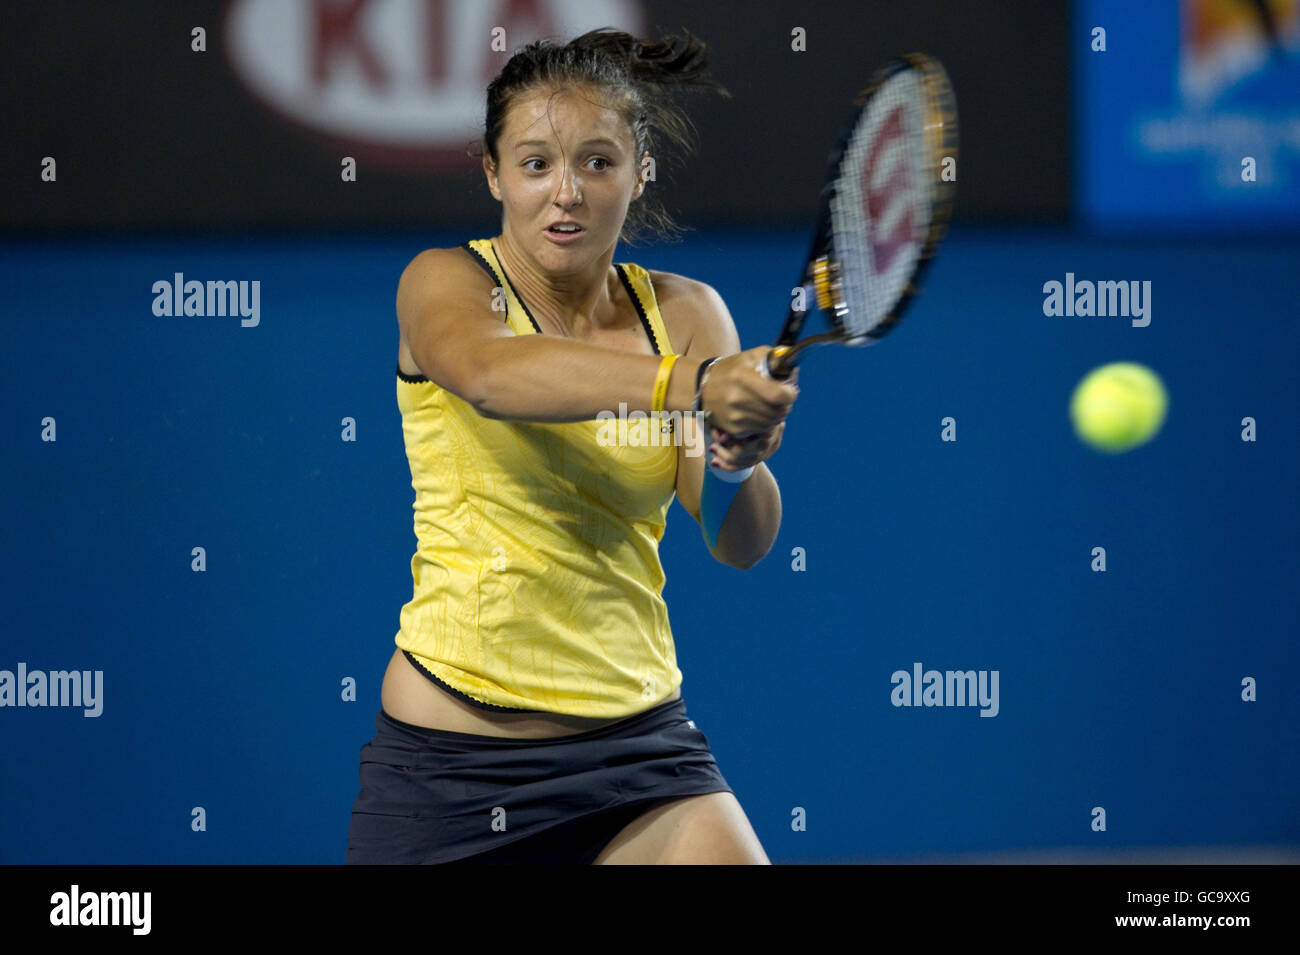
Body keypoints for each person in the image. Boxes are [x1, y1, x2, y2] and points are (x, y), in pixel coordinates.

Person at [346, 27, 799, 865]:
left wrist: (739, 453)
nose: (567, 193)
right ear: (492, 173)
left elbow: (738, 542)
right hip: (451, 768)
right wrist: (688, 387)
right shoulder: (443, 284)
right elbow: (490, 373)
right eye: (535, 164)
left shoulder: (691, 312)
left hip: (642, 755)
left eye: (597, 162)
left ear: (639, 173)